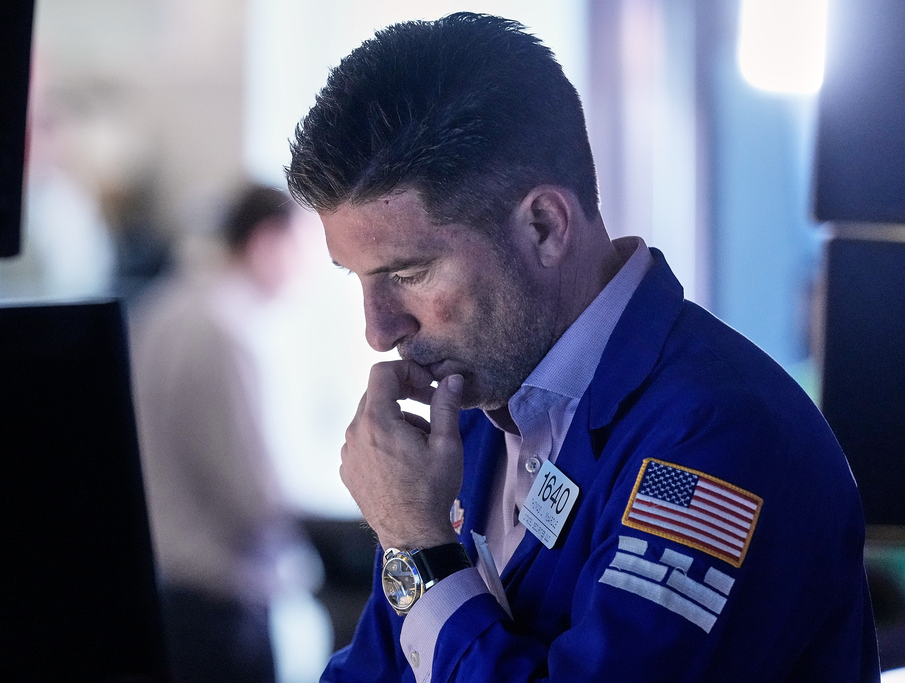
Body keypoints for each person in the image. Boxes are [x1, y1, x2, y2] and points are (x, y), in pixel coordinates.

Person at [285, 12, 880, 682]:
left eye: (409, 273)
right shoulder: (481, 407)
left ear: (544, 225)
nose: (379, 329)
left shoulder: (722, 434)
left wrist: (421, 548)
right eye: (360, 280)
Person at [130, 183, 312, 683]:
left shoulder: (166, 306)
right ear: (265, 241)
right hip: (216, 601)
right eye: (300, 248)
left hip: (164, 584)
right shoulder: (225, 330)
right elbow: (248, 495)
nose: (306, 268)